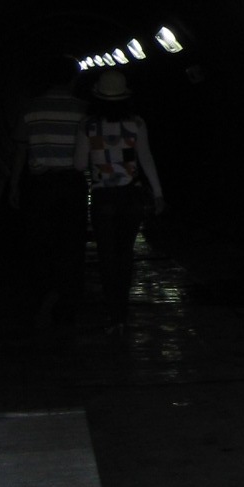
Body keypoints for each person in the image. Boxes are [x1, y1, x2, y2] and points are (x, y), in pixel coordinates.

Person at [78, 72, 164, 328]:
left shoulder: (88, 125)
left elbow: (79, 163)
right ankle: (123, 309)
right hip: (131, 195)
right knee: (125, 253)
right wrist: (158, 193)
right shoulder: (136, 124)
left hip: (103, 195)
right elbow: (146, 159)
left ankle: (112, 311)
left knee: (106, 254)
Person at [14, 73, 89, 332]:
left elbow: (21, 149)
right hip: (71, 183)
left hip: (40, 185)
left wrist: (14, 185)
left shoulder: (31, 107)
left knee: (40, 243)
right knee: (71, 244)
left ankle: (42, 294)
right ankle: (66, 303)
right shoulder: (83, 109)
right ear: (71, 80)